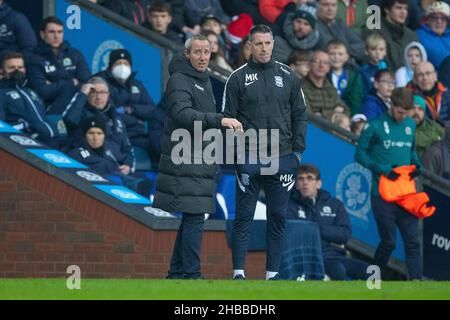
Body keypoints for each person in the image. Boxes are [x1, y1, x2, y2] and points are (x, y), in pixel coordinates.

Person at [152, 35, 242, 280]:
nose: (203, 57)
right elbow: (183, 115)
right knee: (194, 217)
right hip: (185, 159)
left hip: (199, 160)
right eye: (198, 52)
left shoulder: (202, 80)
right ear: (186, 54)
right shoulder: (179, 80)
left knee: (192, 217)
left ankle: (176, 273)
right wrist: (220, 119)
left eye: (207, 52)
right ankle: (191, 273)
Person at [222, 25, 308, 280]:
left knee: (278, 216)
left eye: (267, 43)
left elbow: (300, 115)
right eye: (258, 43)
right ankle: (238, 272)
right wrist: (238, 155)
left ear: (273, 44)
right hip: (248, 154)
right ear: (250, 45)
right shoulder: (237, 77)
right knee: (244, 215)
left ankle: (272, 274)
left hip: (282, 156)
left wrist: (298, 152)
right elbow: (228, 118)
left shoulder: (289, 75)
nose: (263, 48)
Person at [356, 87, 424, 280]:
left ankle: (417, 283)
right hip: (382, 194)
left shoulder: (410, 125)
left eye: (407, 113)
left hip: (406, 195)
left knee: (413, 242)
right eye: (400, 112)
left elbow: (411, 151)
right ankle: (373, 280)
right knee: (389, 242)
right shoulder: (374, 126)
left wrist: (416, 165)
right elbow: (360, 155)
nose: (403, 116)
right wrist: (384, 169)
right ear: (391, 105)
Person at [287, 164, 370, 280]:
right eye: (301, 179)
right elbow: (293, 235)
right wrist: (328, 234)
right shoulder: (290, 206)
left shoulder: (335, 205)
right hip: (307, 258)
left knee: (372, 271)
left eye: (310, 178)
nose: (305, 182)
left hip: (334, 255)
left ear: (318, 183)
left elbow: (345, 234)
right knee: (338, 270)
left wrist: (316, 229)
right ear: (296, 185)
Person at [94, 49, 157, 162]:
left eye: (126, 64)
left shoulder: (137, 85)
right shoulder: (103, 83)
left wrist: (131, 109)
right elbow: (110, 112)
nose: (122, 67)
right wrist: (137, 120)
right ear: (110, 66)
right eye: (118, 63)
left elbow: (152, 110)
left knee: (160, 144)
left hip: (138, 134)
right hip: (115, 133)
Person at [62, 76, 136, 174]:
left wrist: (128, 164)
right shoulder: (80, 113)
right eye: (93, 92)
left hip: (116, 169)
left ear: (108, 95)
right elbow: (68, 119)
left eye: (102, 93)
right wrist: (82, 94)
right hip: (88, 167)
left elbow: (127, 147)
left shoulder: (116, 117)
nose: (98, 97)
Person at [67, 116, 151, 196]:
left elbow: (127, 156)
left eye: (99, 133)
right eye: (91, 133)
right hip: (98, 190)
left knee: (143, 182)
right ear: (85, 135)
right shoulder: (76, 154)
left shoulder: (111, 148)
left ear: (104, 135)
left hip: (120, 187)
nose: (95, 137)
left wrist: (128, 165)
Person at [27, 16, 91, 115]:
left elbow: (86, 82)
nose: (56, 36)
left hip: (78, 108)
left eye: (60, 32)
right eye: (52, 32)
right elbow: (42, 91)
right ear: (42, 34)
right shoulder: (35, 59)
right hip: (51, 110)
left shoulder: (75, 54)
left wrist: (53, 83)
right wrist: (71, 82)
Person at [0, 52, 58, 147]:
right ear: (2, 71)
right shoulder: (2, 93)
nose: (17, 71)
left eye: (20, 67)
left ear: (25, 69)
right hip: (25, 143)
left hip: (52, 139)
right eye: (12, 68)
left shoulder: (30, 91)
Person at [363, 0, 419, 71]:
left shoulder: (412, 36)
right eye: (399, 8)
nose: (403, 12)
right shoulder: (373, 31)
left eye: (405, 8)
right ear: (387, 10)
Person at [301, 50, 348, 120]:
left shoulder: (331, 88)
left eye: (325, 63)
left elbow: (345, 110)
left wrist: (321, 113)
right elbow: (308, 115)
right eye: (317, 61)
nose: (321, 65)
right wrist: (334, 113)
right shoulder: (299, 87)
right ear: (309, 64)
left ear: (329, 68)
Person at [327, 39, 364, 116]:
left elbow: (356, 101)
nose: (336, 57)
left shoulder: (354, 77)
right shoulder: (323, 75)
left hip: (347, 116)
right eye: (332, 54)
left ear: (346, 57)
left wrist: (351, 118)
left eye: (340, 54)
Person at [416, 1, 450, 69]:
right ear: (427, 21)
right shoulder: (419, 35)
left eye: (443, 18)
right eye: (434, 18)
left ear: (447, 22)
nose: (439, 21)